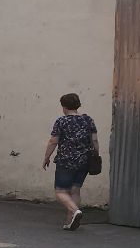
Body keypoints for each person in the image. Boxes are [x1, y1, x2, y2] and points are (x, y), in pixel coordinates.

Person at [42, 93, 99, 231]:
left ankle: (75, 211)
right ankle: (70, 222)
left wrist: (46, 157)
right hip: (84, 161)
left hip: (66, 161)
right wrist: (96, 155)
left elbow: (53, 141)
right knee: (75, 190)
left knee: (60, 191)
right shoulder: (88, 120)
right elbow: (95, 140)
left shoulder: (62, 121)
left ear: (64, 106)